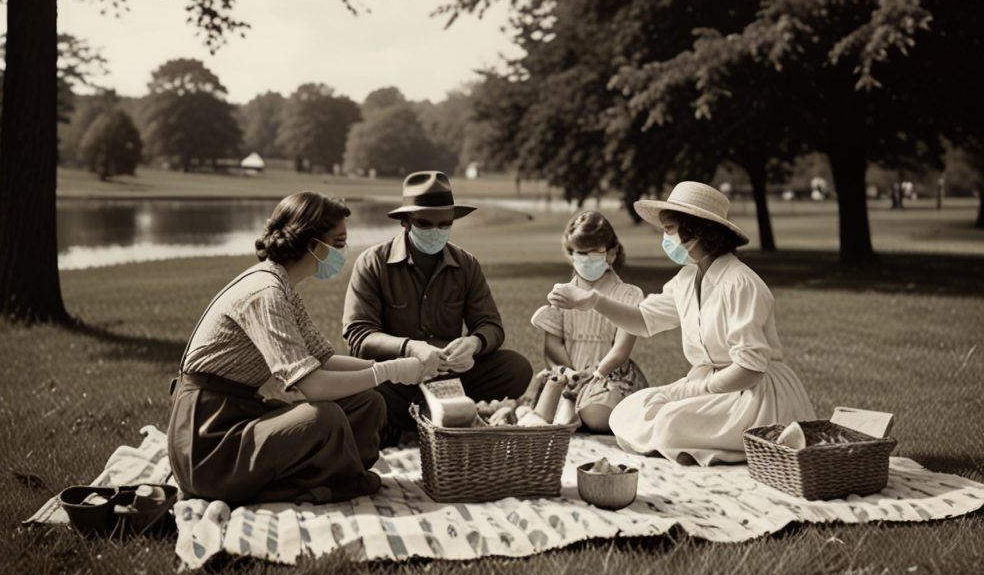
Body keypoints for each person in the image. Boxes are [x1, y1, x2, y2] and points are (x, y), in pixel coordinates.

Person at [167, 192, 427, 505]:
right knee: (324, 417)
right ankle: (322, 482)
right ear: (313, 244)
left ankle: (337, 475)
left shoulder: (284, 288)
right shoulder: (265, 292)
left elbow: (324, 360)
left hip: (240, 415)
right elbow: (314, 386)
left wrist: (408, 362)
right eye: (339, 242)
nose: (344, 252)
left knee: (368, 403)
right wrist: (388, 371)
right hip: (207, 441)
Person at [548, 181, 815, 465]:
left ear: (695, 231)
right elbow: (642, 320)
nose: (665, 239)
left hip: (753, 393)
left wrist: (692, 390)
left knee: (669, 423)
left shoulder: (740, 283)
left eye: (668, 229)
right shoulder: (687, 279)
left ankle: (714, 445)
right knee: (628, 411)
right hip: (710, 384)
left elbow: (749, 368)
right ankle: (697, 446)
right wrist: (593, 301)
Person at [343, 171, 533, 445]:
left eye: (445, 224)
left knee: (516, 367)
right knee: (359, 386)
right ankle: (435, 419)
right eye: (426, 224)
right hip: (396, 378)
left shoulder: (466, 264)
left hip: (452, 377)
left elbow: (491, 325)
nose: (436, 232)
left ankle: (412, 424)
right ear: (405, 222)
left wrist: (474, 343)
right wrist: (409, 348)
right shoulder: (372, 263)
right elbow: (358, 336)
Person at [529, 211, 648, 432]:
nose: (585, 260)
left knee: (595, 415)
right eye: (580, 254)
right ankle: (571, 406)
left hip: (608, 376)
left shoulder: (627, 296)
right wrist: (568, 374)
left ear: (611, 254)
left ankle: (582, 411)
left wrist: (595, 375)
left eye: (593, 254)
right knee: (543, 412)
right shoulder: (562, 294)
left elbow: (620, 351)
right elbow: (552, 346)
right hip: (568, 374)